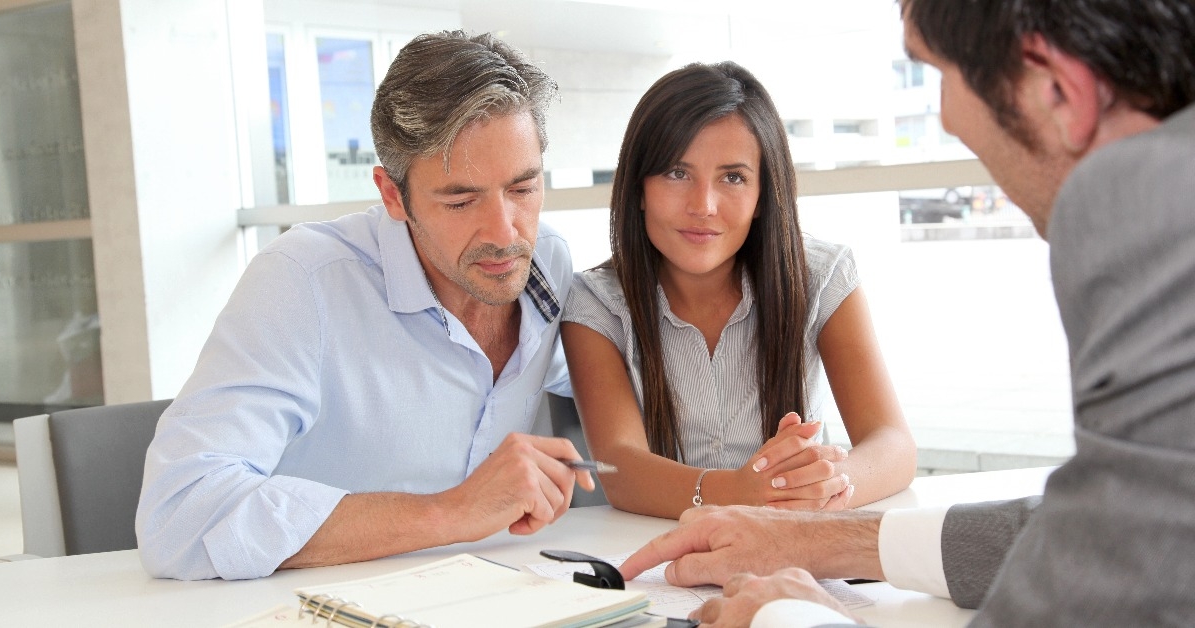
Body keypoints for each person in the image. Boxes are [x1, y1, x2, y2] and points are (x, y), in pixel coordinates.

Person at [620, 0, 1195, 625]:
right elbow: (1116, 521)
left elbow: (1123, 566)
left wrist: (801, 618)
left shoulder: (1154, 217)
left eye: (939, 72)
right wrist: (818, 541)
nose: (945, 118)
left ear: (1058, 86)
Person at [135, 31, 595, 581]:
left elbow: (613, 381)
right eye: (460, 200)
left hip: (497, 593)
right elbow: (176, 516)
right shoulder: (303, 281)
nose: (504, 232)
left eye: (523, 189)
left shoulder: (546, 262)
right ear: (392, 195)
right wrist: (451, 511)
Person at [560, 62, 916, 520]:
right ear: (638, 189)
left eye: (733, 177)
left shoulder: (821, 275)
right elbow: (620, 469)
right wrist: (744, 492)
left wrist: (822, 483)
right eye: (675, 172)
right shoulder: (596, 301)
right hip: (660, 547)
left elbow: (894, 444)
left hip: (798, 542)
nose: (703, 206)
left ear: (763, 194)